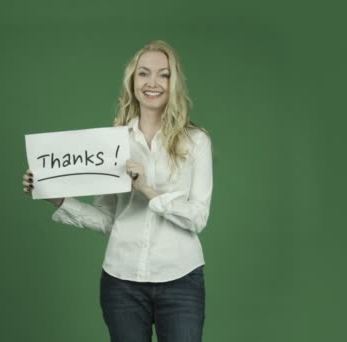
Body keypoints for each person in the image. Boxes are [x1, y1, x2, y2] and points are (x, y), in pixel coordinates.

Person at [22, 40, 213, 342]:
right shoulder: (111, 143)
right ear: (132, 81)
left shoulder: (197, 141)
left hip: (181, 280)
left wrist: (148, 190)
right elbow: (106, 219)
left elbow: (198, 218)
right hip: (121, 283)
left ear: (173, 82)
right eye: (143, 73)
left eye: (163, 75)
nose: (152, 83)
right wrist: (54, 196)